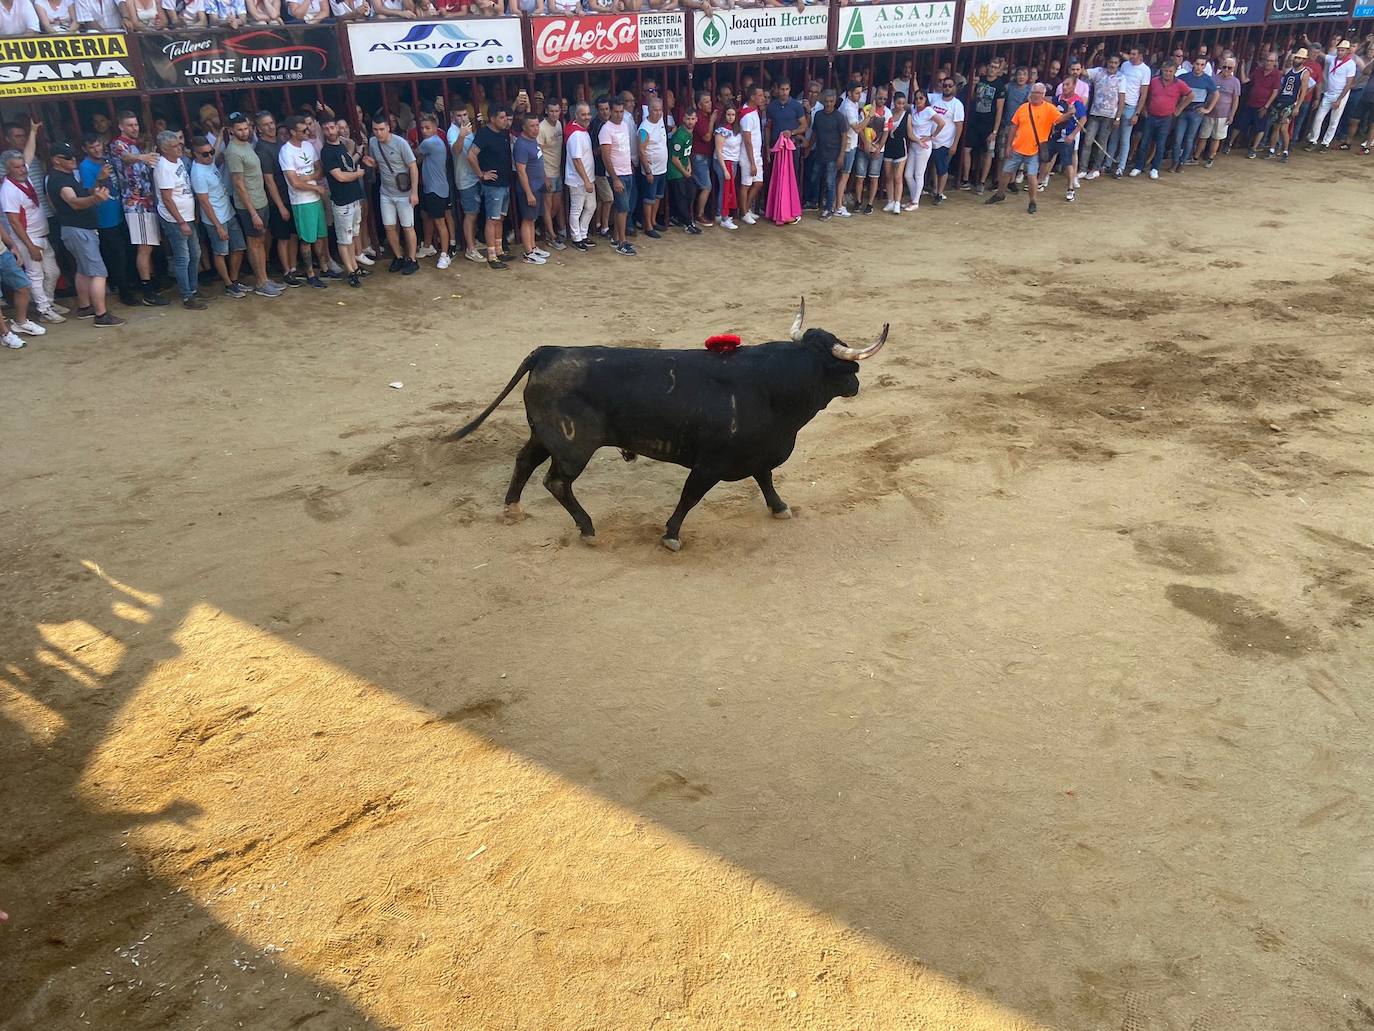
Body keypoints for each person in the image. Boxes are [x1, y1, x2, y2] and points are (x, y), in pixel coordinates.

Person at [44, 142, 123, 327]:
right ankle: (101, 315)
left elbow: (80, 195)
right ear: (56, 160)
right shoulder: (60, 180)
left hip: (74, 229)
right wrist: (95, 199)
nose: (73, 160)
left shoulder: (63, 176)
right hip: (79, 230)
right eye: (68, 157)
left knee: (83, 269)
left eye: (73, 155)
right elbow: (74, 201)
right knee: (98, 272)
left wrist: (98, 182)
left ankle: (85, 306)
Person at [107, 111, 166, 306]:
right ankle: (147, 290)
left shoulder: (135, 144)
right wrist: (144, 156)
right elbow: (126, 158)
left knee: (148, 246)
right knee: (144, 247)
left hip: (146, 202)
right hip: (136, 204)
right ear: (121, 126)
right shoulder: (118, 144)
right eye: (130, 125)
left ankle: (150, 283)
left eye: (136, 124)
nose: (135, 128)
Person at [985, 83, 1071, 215]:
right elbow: (1013, 127)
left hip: (1034, 150)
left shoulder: (1049, 108)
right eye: (1033, 93)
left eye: (1038, 93)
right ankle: (1000, 194)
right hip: (1018, 147)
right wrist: (1009, 145)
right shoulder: (1023, 108)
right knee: (1006, 173)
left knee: (1031, 177)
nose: (1035, 95)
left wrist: (1070, 113)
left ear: (1043, 95)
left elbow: (1060, 118)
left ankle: (1032, 201)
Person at [0, 149, 63, 324]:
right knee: (36, 275)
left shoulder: (22, 176)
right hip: (28, 238)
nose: (22, 169)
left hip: (41, 234)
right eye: (17, 167)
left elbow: (28, 153)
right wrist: (30, 245)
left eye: (23, 166)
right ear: (8, 169)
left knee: (53, 271)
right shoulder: (8, 190)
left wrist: (33, 135)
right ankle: (44, 310)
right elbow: (14, 221)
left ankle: (48, 303)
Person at [223, 112, 281, 298]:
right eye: (239, 129)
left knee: (260, 241)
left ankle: (264, 279)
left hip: (260, 200)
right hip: (250, 206)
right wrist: (253, 212)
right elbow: (238, 184)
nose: (244, 132)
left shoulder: (247, 145)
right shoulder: (233, 151)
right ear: (231, 131)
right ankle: (261, 282)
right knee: (254, 243)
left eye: (246, 128)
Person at [78, 134, 135, 307]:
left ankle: (130, 285)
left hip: (119, 212)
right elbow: (89, 192)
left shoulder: (107, 159)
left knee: (127, 251)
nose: (97, 149)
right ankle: (123, 292)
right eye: (92, 147)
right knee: (116, 255)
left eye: (98, 145)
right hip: (104, 218)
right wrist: (100, 177)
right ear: (85, 149)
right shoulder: (85, 166)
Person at [189, 134, 248, 299]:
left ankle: (234, 280)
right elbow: (204, 202)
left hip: (228, 212)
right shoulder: (198, 173)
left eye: (211, 152)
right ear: (195, 154)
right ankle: (228, 284)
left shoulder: (208, 162)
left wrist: (221, 135)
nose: (210, 156)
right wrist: (218, 226)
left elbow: (216, 148)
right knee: (220, 252)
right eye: (205, 154)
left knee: (239, 247)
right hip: (215, 218)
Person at [152, 131, 204, 309]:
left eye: (178, 144)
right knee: (183, 257)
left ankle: (193, 289)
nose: (179, 148)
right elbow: (167, 199)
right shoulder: (163, 167)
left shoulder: (177, 161)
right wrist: (181, 222)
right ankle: (187, 295)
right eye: (174, 146)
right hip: (176, 220)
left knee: (194, 254)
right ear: (164, 149)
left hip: (186, 216)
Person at [277, 115, 330, 288]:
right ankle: (310, 274)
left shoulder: (308, 145)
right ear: (293, 132)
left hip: (313, 196)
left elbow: (319, 170)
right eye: (303, 130)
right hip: (301, 201)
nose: (308, 132)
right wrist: (314, 186)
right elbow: (294, 183)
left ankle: (323, 267)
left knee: (320, 235)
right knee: (307, 239)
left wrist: (307, 178)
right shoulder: (286, 151)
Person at [253, 111, 301, 287]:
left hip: (292, 195)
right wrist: (280, 206)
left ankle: (293, 267)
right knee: (283, 237)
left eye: (272, 123)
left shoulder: (281, 143)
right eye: (266, 125)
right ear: (259, 129)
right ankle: (287, 271)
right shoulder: (262, 149)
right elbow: (269, 181)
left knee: (293, 234)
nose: (271, 127)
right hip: (278, 200)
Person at [368, 112, 419, 275]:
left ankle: (412, 259)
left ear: (388, 128)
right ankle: (398, 256)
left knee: (407, 226)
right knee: (389, 227)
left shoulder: (400, 143)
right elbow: (377, 164)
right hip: (386, 192)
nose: (378, 133)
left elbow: (413, 166)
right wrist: (371, 164)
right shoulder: (373, 142)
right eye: (375, 130)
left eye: (381, 129)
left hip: (404, 192)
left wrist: (414, 192)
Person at [320, 117, 366, 288]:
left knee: (351, 236)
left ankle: (354, 268)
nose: (330, 131)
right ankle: (350, 271)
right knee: (344, 239)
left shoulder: (341, 146)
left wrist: (358, 155)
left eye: (332, 127)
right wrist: (358, 174)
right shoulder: (326, 152)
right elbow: (339, 176)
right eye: (326, 128)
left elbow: (347, 165)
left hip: (352, 198)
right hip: (342, 201)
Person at [469, 104, 514, 270]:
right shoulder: (484, 134)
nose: (505, 121)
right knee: (492, 219)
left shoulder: (502, 133)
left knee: (499, 218)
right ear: (493, 118)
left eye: (505, 117)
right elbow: (471, 155)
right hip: (493, 185)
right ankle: (492, 255)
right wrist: (481, 174)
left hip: (503, 182)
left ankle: (499, 250)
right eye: (501, 118)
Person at [1131, 60, 1190, 180]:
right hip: (1151, 116)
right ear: (1162, 70)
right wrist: (1144, 108)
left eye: (1170, 71)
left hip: (1166, 118)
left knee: (1160, 144)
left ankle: (1155, 168)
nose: (1167, 73)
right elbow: (1145, 95)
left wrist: (1179, 109)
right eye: (1165, 71)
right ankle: (1138, 166)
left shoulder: (1179, 84)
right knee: (1144, 142)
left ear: (1175, 72)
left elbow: (1191, 95)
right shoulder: (1154, 81)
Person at [598, 97, 636, 255]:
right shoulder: (606, 129)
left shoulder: (624, 125)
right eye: (616, 112)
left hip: (627, 171)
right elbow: (606, 157)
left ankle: (616, 237)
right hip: (617, 175)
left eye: (621, 112)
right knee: (622, 208)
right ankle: (622, 241)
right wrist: (614, 178)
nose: (619, 115)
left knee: (622, 208)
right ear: (611, 112)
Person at [1307, 39, 1358, 151]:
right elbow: (1319, 53)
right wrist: (1308, 42)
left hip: (1340, 95)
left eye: (1342, 50)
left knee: (1334, 121)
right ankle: (1313, 140)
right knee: (1318, 118)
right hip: (1328, 93)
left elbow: (1349, 83)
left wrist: (1339, 99)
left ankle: (1326, 143)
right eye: (1339, 50)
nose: (1340, 52)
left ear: (1347, 51)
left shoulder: (1350, 64)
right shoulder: (1332, 59)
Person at [416, 113, 452, 269]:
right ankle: (428, 246)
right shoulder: (435, 142)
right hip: (431, 187)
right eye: (422, 128)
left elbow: (414, 155)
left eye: (427, 128)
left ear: (435, 128)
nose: (424, 131)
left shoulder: (429, 143)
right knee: (427, 217)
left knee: (439, 221)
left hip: (436, 189)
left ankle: (445, 254)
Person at [512, 112, 548, 266]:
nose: (536, 129)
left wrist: (544, 178)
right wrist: (528, 193)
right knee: (527, 219)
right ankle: (528, 253)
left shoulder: (532, 140)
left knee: (532, 219)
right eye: (532, 126)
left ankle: (533, 247)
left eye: (537, 125)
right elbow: (521, 171)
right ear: (524, 127)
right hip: (529, 189)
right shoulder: (521, 145)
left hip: (537, 187)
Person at [0, 216, 42, 345]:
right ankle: (4, 334)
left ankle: (21, 322)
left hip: (3, 253)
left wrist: (12, 246)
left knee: (23, 286)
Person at [961, 64, 1004, 193]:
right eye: (991, 66)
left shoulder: (1000, 86)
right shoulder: (980, 80)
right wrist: (973, 85)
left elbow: (999, 109)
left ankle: (982, 182)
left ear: (999, 70)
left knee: (987, 153)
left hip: (989, 124)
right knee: (967, 149)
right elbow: (972, 98)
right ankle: (966, 179)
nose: (992, 69)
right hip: (974, 121)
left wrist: (995, 130)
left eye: (995, 68)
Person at [901, 89, 945, 212]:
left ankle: (915, 201)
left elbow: (941, 123)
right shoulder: (914, 109)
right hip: (914, 144)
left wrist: (931, 136)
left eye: (921, 98)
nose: (918, 100)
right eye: (916, 98)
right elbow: (904, 104)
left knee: (918, 174)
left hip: (923, 145)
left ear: (926, 99)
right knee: (908, 175)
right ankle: (914, 198)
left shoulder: (928, 110)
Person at [1081, 55, 1123, 179]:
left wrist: (1118, 118)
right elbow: (1084, 71)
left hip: (1109, 116)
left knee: (1101, 143)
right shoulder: (1098, 71)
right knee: (1088, 141)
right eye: (1111, 62)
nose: (1112, 65)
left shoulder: (1121, 78)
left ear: (1118, 64)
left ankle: (1096, 168)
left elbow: (1121, 99)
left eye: (1115, 63)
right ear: (1107, 62)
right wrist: (1093, 53)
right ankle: (1083, 169)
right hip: (1095, 113)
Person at [1172, 56, 1217, 173]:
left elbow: (1216, 94)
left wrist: (1208, 109)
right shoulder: (1184, 77)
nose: (1199, 67)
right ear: (1193, 64)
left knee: (1189, 139)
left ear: (1205, 66)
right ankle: (1175, 162)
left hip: (1196, 111)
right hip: (1184, 110)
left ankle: (1181, 162)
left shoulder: (1207, 79)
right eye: (1197, 64)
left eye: (1202, 65)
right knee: (1178, 138)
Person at [1113, 44, 1152, 178]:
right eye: (1130, 53)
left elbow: (1143, 93)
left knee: (1125, 138)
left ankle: (1121, 167)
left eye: (1134, 54)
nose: (1131, 56)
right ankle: (1107, 164)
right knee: (1114, 136)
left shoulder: (1145, 70)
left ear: (1140, 55)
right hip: (1119, 104)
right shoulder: (1125, 65)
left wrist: (1137, 113)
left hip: (1131, 106)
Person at [564, 101, 597, 252]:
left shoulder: (582, 131)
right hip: (579, 180)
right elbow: (576, 160)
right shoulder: (576, 135)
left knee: (591, 206)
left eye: (588, 114)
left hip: (587, 178)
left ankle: (582, 234)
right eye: (583, 114)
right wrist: (586, 180)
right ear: (576, 115)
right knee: (577, 209)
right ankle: (576, 237)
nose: (587, 117)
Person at [1267, 49, 1312, 161]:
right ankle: (1272, 150)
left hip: (1291, 103)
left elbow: (1304, 91)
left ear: (1303, 60)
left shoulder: (1305, 73)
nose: (1296, 60)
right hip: (1282, 100)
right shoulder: (1289, 71)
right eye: (1296, 58)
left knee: (1283, 128)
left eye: (1299, 58)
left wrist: (1297, 106)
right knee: (1276, 127)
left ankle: (1285, 151)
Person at [833, 80, 866, 218]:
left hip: (849, 144)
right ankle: (838, 207)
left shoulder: (852, 103)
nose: (860, 95)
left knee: (841, 176)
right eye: (857, 93)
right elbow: (857, 128)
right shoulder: (848, 107)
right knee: (844, 176)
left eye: (860, 92)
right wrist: (869, 117)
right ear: (850, 93)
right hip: (847, 145)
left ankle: (837, 203)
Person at [927, 77, 963, 204]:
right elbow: (919, 94)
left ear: (954, 87)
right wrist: (913, 78)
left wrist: (955, 144)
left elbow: (959, 125)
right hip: (931, 140)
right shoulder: (935, 98)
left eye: (950, 85)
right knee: (934, 165)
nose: (947, 88)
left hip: (945, 142)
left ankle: (939, 193)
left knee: (942, 168)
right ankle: (935, 189)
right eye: (945, 85)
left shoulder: (957, 104)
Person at [1238, 52, 1281, 159]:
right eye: (1267, 60)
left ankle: (1253, 149)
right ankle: (1229, 144)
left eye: (1271, 61)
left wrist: (1266, 106)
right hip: (1251, 103)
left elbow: (1275, 92)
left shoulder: (1276, 74)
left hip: (1263, 106)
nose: (1268, 63)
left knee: (1260, 128)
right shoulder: (1258, 71)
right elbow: (1244, 80)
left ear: (1275, 62)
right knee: (1240, 124)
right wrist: (1242, 67)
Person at [1200, 57, 1241, 166]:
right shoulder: (1213, 78)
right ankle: (1196, 156)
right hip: (1209, 112)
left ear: (1233, 68)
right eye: (1224, 67)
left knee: (1216, 138)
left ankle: (1211, 158)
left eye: (1229, 68)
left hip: (1224, 114)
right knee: (1203, 136)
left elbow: (1235, 100)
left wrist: (1232, 115)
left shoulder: (1235, 82)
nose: (1226, 69)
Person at [810, 89, 844, 220]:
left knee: (830, 183)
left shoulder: (839, 117)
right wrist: (809, 147)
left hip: (833, 155)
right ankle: (815, 202)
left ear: (834, 102)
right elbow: (814, 133)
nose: (829, 104)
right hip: (820, 152)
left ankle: (828, 208)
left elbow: (844, 136)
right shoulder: (818, 115)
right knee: (814, 178)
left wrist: (841, 156)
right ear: (823, 101)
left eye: (831, 101)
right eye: (827, 101)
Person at [637, 96, 668, 238]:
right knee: (649, 199)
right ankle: (648, 225)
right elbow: (641, 150)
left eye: (660, 110)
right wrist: (648, 171)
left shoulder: (660, 121)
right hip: (652, 170)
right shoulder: (645, 128)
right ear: (649, 110)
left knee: (658, 196)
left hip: (662, 168)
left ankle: (653, 221)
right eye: (655, 110)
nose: (658, 113)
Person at [1053, 70, 1086, 201]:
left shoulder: (1077, 101)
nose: (1064, 87)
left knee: (1067, 162)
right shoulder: (1058, 98)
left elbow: (1083, 119)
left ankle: (1070, 188)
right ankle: (1041, 181)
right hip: (1055, 134)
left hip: (1067, 135)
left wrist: (1073, 134)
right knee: (1047, 158)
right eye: (1063, 84)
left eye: (1067, 84)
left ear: (1073, 86)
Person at [537, 98, 565, 251]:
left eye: (557, 111)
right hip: (547, 172)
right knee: (548, 206)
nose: (554, 114)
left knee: (557, 205)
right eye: (552, 111)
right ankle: (551, 236)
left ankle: (545, 229)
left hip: (557, 171)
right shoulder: (541, 128)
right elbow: (539, 154)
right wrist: (544, 176)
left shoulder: (559, 124)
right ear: (546, 111)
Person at [667, 107, 698, 234]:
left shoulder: (689, 133)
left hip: (683, 169)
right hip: (675, 171)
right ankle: (688, 223)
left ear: (696, 119)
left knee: (690, 193)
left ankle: (681, 219)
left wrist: (689, 164)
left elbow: (685, 153)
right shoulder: (680, 135)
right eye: (688, 118)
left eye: (692, 119)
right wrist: (685, 173)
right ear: (683, 119)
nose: (690, 121)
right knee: (682, 197)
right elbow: (674, 159)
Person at [737, 86, 765, 224]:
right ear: (752, 97)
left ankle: (746, 209)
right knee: (746, 184)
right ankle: (743, 212)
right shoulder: (747, 116)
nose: (763, 98)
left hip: (756, 154)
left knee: (758, 183)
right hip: (748, 156)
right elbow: (747, 141)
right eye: (760, 95)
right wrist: (752, 163)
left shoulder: (754, 111)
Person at [712, 104, 740, 231]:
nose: (731, 117)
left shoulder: (735, 129)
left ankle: (722, 213)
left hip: (733, 161)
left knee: (727, 189)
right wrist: (724, 169)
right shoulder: (721, 130)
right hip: (723, 162)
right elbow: (719, 151)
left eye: (733, 115)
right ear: (724, 115)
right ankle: (724, 217)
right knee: (725, 189)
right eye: (728, 114)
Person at [689, 91, 715, 227]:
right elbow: (707, 137)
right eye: (706, 102)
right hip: (699, 156)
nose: (709, 104)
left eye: (710, 101)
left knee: (701, 186)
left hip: (705, 156)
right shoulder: (699, 118)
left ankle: (696, 213)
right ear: (699, 105)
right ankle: (699, 215)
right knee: (706, 186)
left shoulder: (705, 116)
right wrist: (712, 121)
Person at [881, 91, 909, 214]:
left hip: (900, 149)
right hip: (888, 147)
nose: (900, 106)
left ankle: (897, 202)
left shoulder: (907, 115)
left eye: (903, 103)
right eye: (898, 103)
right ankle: (890, 201)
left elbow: (910, 133)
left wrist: (920, 140)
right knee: (888, 176)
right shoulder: (888, 113)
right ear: (894, 102)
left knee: (898, 177)